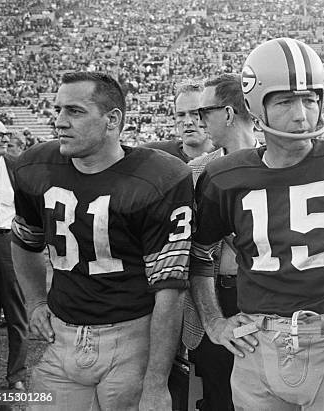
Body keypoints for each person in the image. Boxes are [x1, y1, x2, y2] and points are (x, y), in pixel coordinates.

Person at [190, 38, 324, 410]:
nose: (302, 115)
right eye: (285, 101)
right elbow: (199, 252)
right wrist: (214, 323)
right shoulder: (225, 176)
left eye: (310, 99)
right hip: (257, 340)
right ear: (255, 106)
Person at [11, 72, 194, 411]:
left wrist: (155, 383)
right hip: (62, 335)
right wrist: (36, 301)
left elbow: (170, 289)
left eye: (75, 111)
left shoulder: (159, 178)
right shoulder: (36, 166)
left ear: (113, 120)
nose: (60, 122)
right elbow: (24, 240)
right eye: (58, 110)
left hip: (132, 336)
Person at [183, 73, 261, 411]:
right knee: (218, 396)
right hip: (216, 297)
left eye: (203, 114)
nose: (198, 123)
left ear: (228, 114)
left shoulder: (283, 165)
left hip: (269, 297)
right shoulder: (196, 171)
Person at [0, 116, 28, 392]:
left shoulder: (16, 167)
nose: (5, 138)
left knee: (15, 311)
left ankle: (16, 375)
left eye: (6, 134)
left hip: (8, 242)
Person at [143, 82, 212, 162]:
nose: (188, 122)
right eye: (181, 115)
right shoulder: (155, 155)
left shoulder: (226, 158)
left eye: (195, 114)